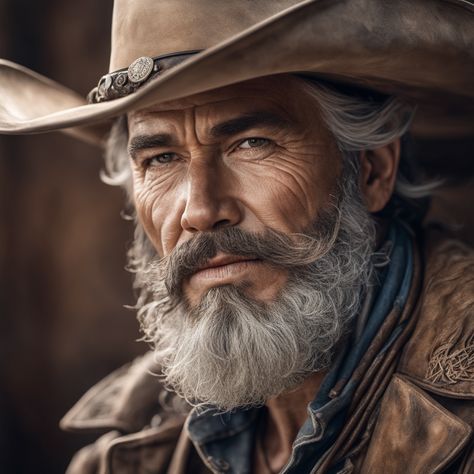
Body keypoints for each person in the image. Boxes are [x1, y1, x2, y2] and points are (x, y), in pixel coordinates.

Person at [1, 0, 473, 472]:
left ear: (372, 170)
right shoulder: (127, 455)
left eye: (251, 144)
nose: (201, 210)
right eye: (161, 158)